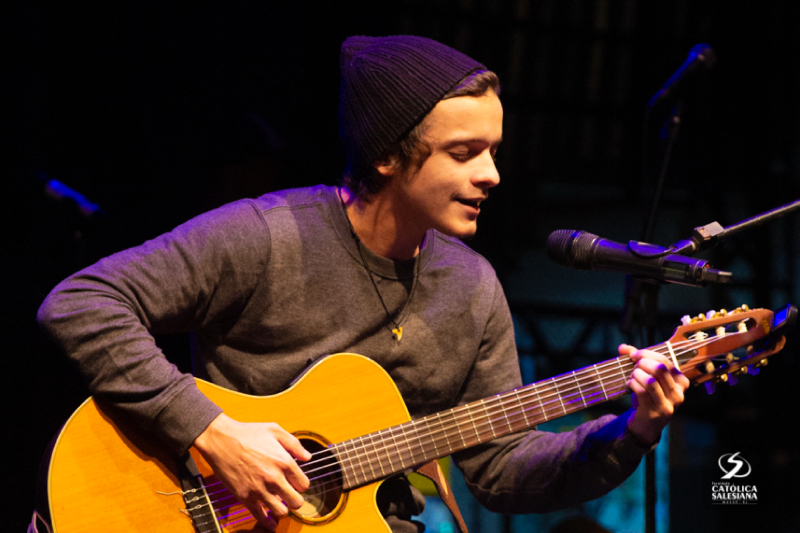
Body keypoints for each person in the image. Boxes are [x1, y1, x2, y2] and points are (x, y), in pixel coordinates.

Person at [36, 35, 689, 532]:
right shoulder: (266, 235)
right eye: (464, 152)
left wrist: (631, 430)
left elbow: (500, 470)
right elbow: (81, 303)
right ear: (387, 155)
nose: (491, 174)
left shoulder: (472, 287)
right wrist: (211, 430)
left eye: (493, 150)